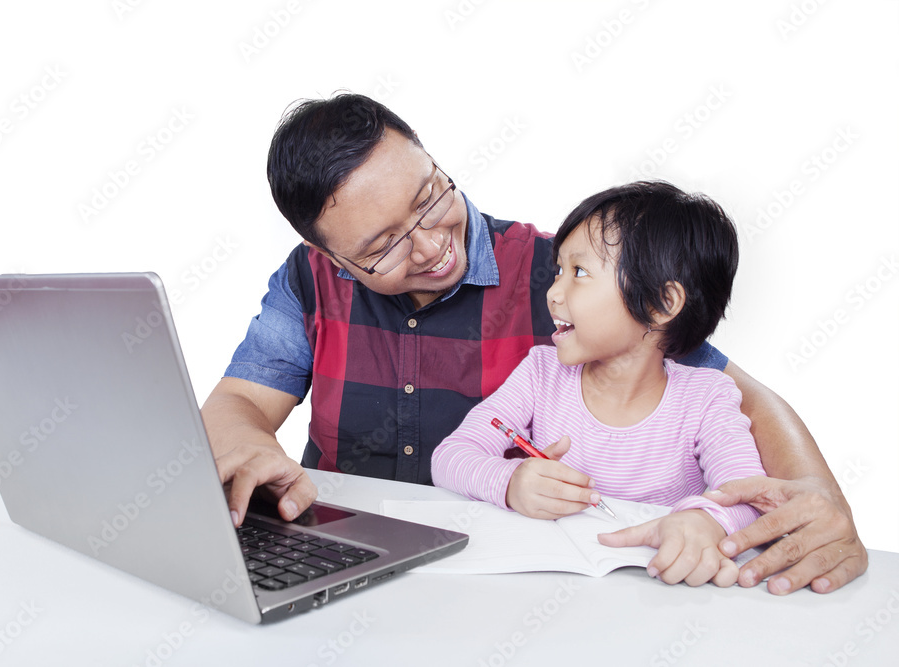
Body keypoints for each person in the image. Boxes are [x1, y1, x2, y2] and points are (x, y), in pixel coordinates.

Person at [200, 92, 867, 594]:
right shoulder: (308, 281)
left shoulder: (565, 277)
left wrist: (817, 497)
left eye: (431, 196)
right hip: (342, 563)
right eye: (384, 246)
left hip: (513, 586)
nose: (433, 245)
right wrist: (251, 445)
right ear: (331, 257)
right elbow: (236, 404)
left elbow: (735, 393)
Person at [431, 182, 767, 586]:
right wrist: (509, 483)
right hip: (549, 589)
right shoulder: (541, 373)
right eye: (558, 271)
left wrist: (703, 521)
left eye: (580, 272)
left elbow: (748, 495)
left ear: (661, 304)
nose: (553, 292)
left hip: (656, 595)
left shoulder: (706, 398)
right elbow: (450, 456)